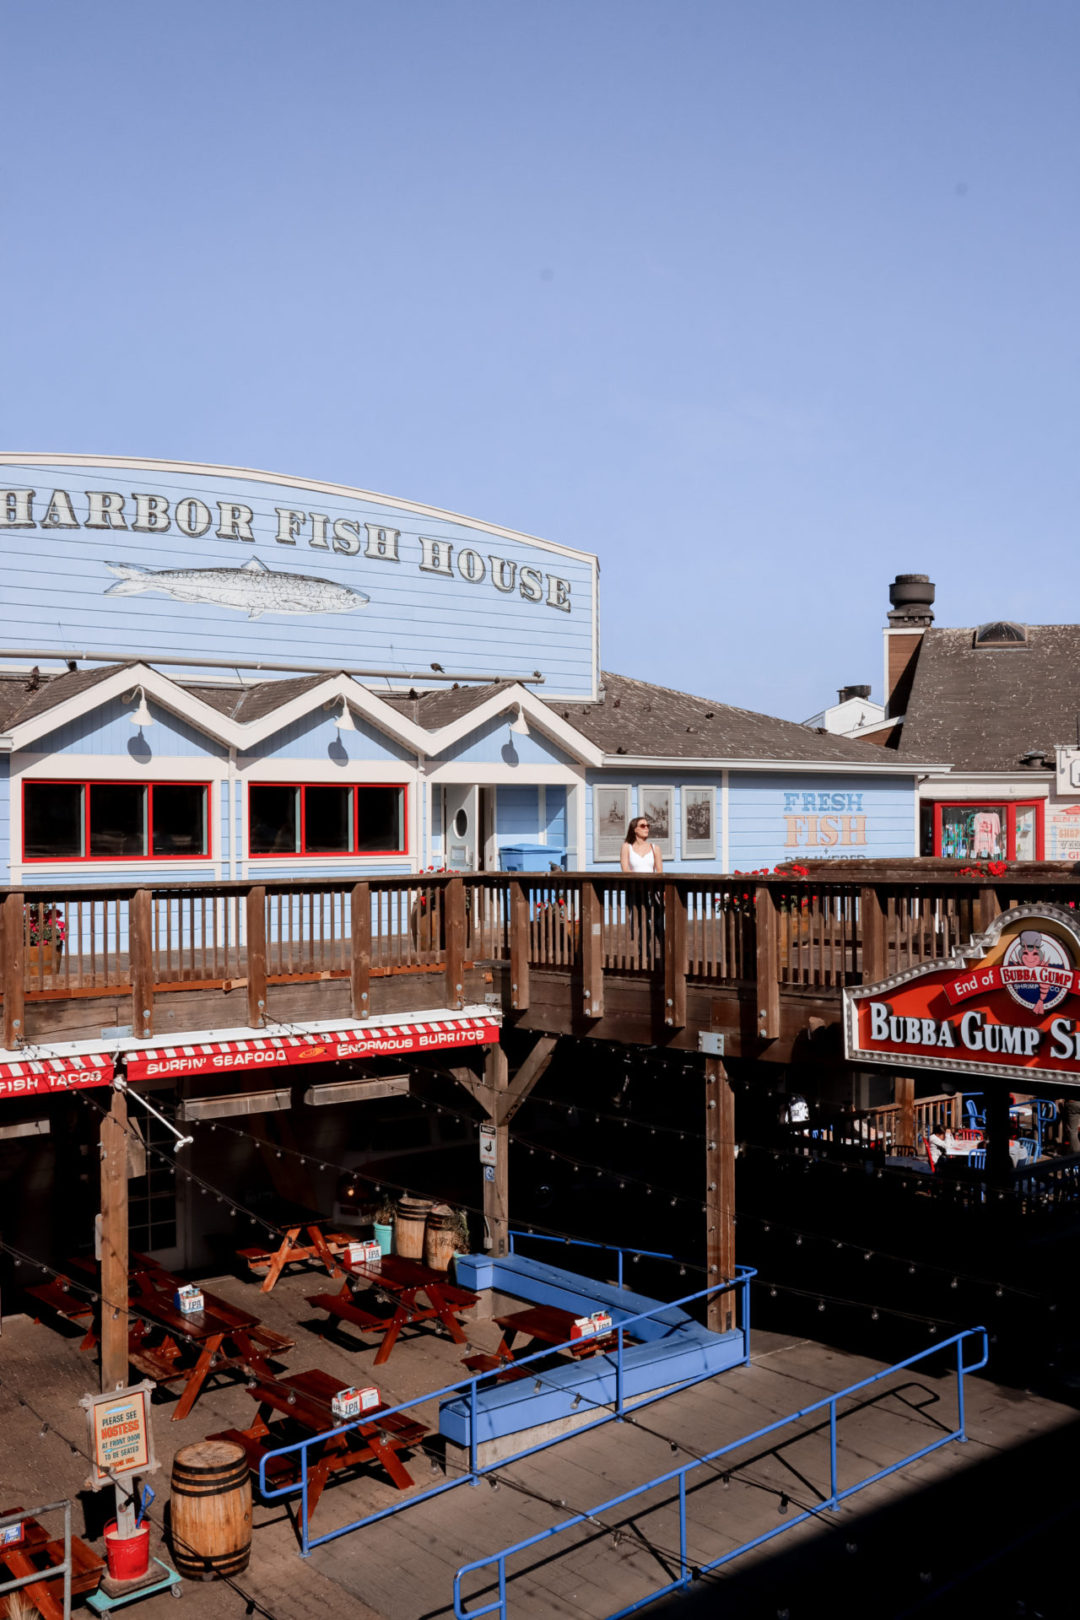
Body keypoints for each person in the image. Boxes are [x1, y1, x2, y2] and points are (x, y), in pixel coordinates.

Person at [621, 816, 663, 954]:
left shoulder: (655, 848)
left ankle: (665, 954)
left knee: (658, 923)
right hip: (636, 890)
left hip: (653, 891)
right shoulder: (626, 847)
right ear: (635, 829)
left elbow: (660, 871)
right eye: (643, 826)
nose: (647, 828)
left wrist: (662, 891)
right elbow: (625, 869)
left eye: (648, 826)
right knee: (642, 924)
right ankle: (645, 954)